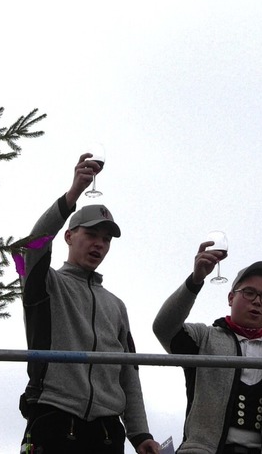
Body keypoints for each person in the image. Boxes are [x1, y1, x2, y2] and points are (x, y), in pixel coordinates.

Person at [18, 153, 160, 454]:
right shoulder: (45, 284)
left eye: (106, 239)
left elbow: (128, 373)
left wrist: (140, 433)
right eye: (91, 234)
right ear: (69, 236)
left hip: (107, 433)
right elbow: (32, 246)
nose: (99, 244)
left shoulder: (117, 306)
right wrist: (72, 195)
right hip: (54, 419)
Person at [153, 241, 262, 453]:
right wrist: (195, 281)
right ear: (231, 298)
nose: (257, 301)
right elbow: (164, 328)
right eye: (249, 292)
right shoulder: (203, 338)